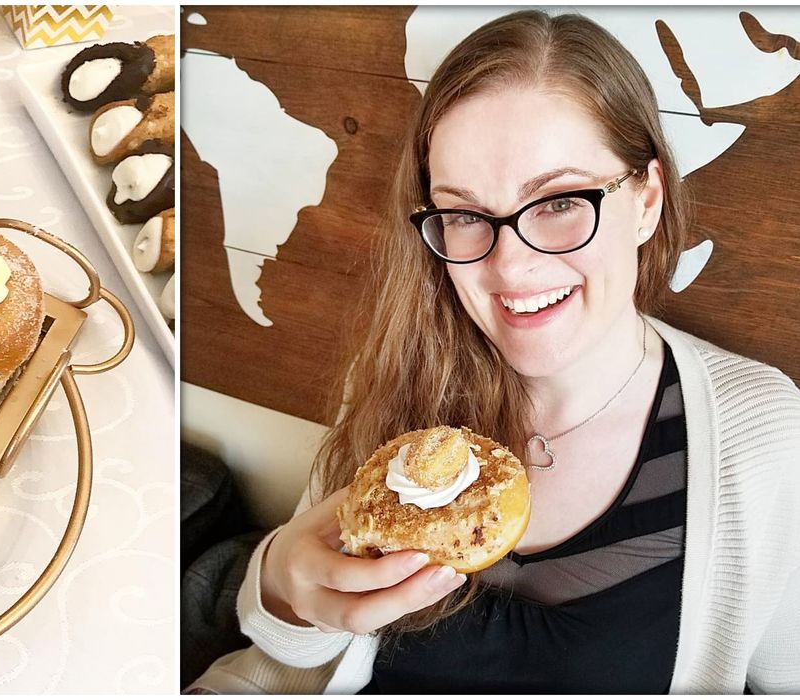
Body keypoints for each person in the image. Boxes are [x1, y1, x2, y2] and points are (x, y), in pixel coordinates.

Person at [189, 9, 800, 694]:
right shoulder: (404, 379)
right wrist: (277, 582)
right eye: (464, 214)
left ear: (647, 200)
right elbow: (286, 657)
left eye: (559, 202)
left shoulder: (762, 434)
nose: (509, 266)